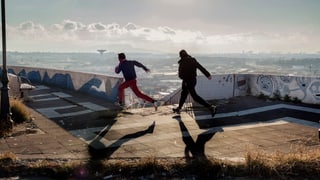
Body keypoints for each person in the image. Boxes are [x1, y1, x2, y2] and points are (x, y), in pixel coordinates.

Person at [173, 49, 216, 117]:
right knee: (184, 94)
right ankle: (179, 108)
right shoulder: (192, 60)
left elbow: (180, 74)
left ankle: (211, 107)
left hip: (186, 81)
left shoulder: (182, 62)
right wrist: (208, 75)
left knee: (194, 96)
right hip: (193, 80)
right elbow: (200, 67)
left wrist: (183, 78)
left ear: (180, 56)